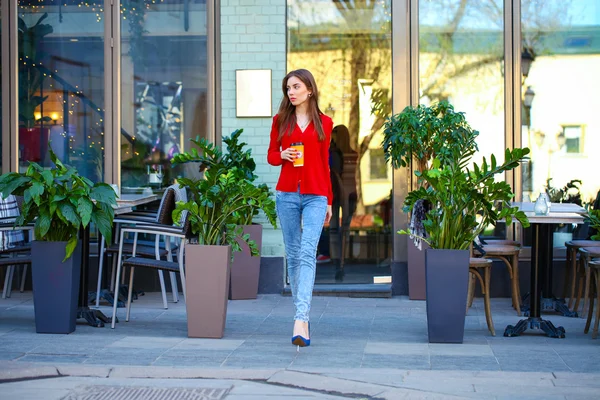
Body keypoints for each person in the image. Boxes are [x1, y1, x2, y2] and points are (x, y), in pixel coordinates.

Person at [267, 69, 333, 348]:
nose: (291, 92)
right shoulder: (280, 120)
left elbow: (325, 164)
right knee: (293, 255)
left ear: (310, 90)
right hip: (287, 195)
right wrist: (281, 155)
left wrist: (329, 200)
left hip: (316, 195)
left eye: (295, 87)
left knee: (308, 252)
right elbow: (271, 156)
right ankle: (301, 318)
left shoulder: (325, 123)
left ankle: (300, 318)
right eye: (288, 88)